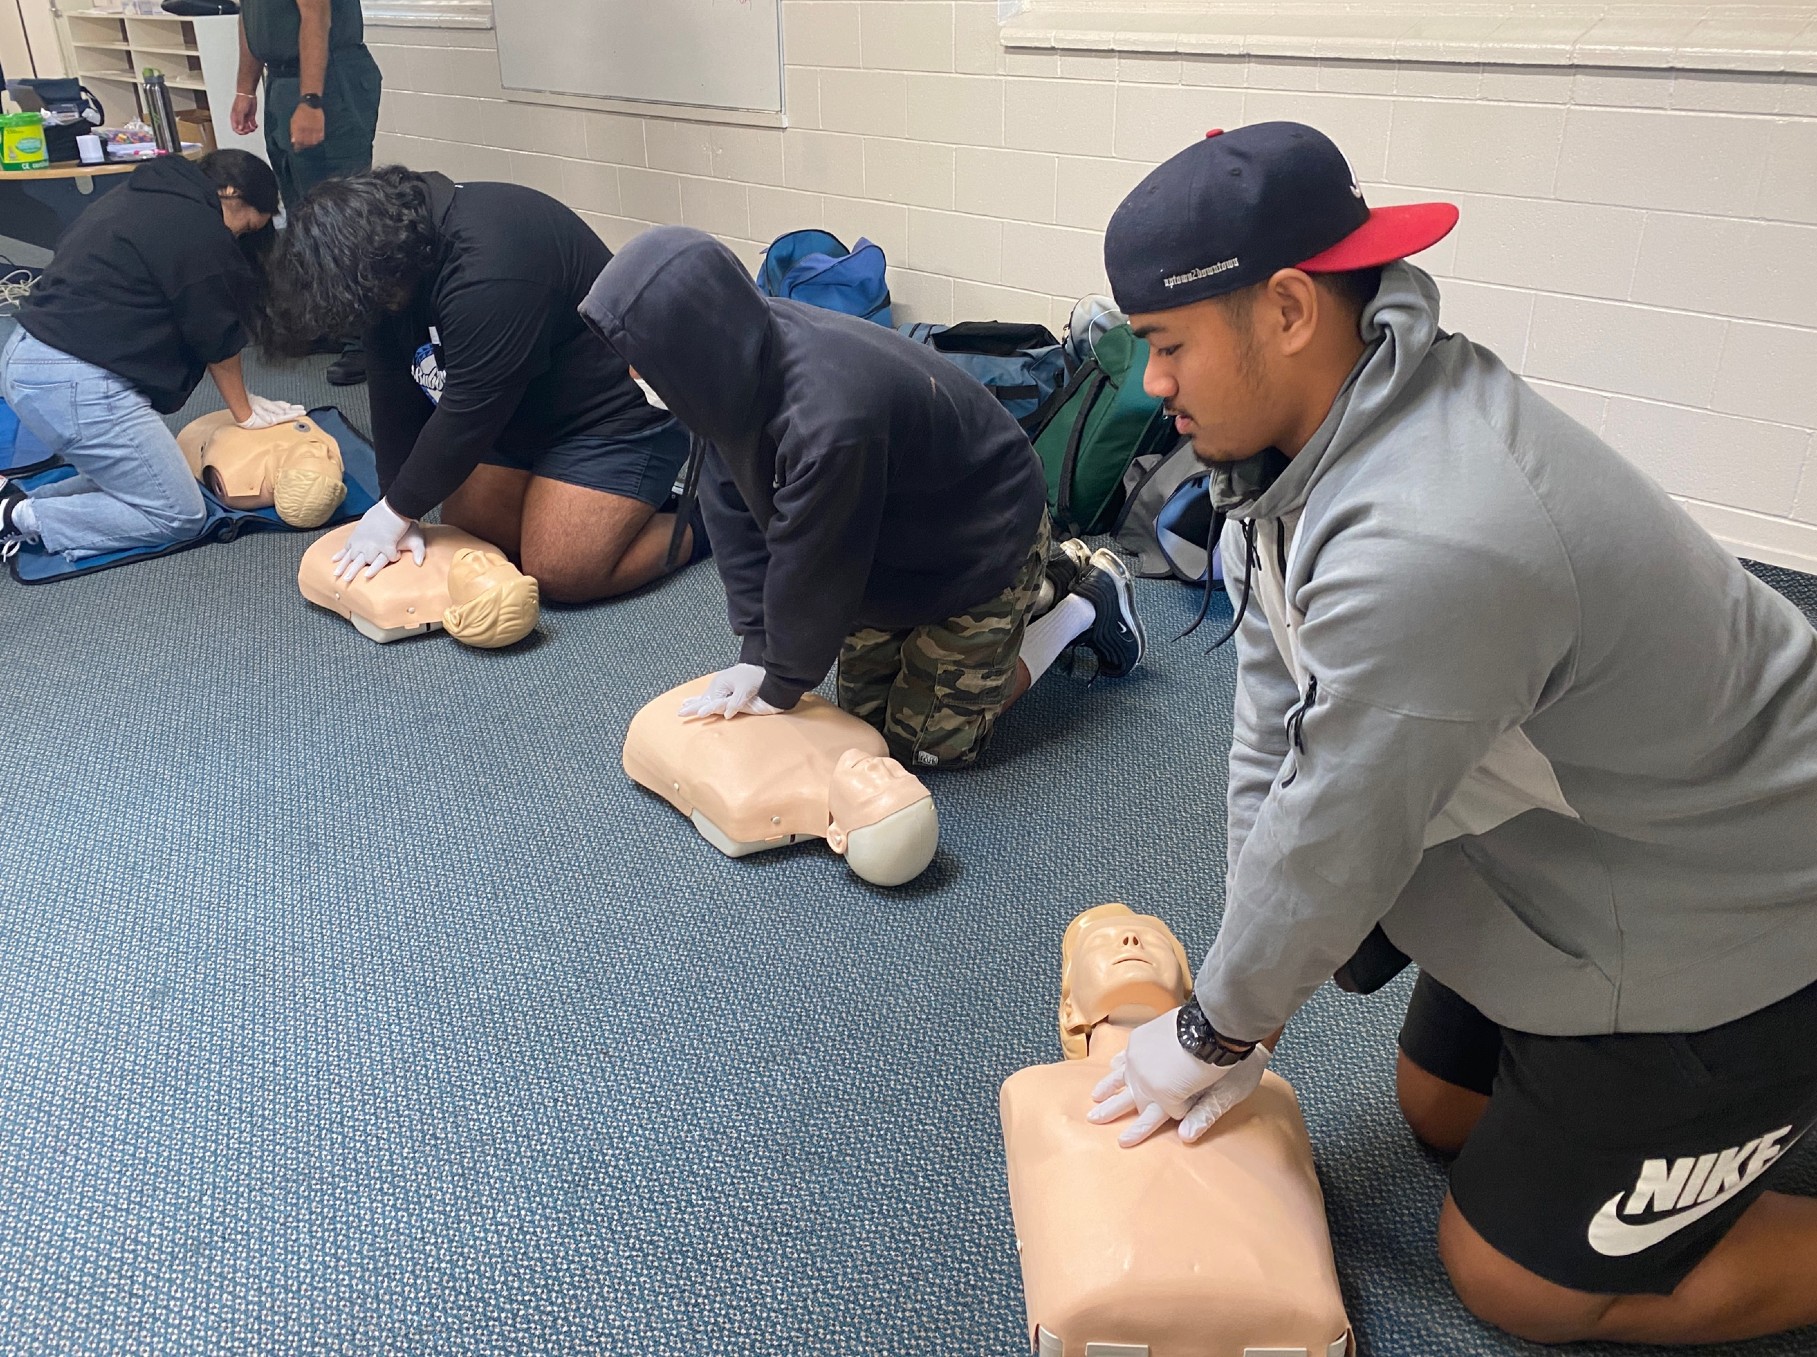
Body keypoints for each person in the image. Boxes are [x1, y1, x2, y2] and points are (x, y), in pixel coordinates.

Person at [1082, 122, 1817, 1347]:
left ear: (1284, 309)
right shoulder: (1307, 442)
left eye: (1166, 346)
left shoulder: (1432, 535)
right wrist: (1237, 999)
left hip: (1746, 916)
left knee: (1509, 1280)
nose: (1150, 383)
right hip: (1595, 843)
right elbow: (1273, 731)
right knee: (1437, 1108)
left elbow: (1336, 824)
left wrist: (1219, 1025)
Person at [581, 226, 1145, 771]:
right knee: (863, 725)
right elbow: (736, 522)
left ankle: (1082, 602)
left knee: (922, 747)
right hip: (892, 528)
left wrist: (779, 682)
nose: (634, 374)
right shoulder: (724, 365)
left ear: (688, 342)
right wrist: (756, 649)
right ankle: (1047, 580)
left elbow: (815, 568)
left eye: (642, 359)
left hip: (982, 532)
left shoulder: (828, 421)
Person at [263, 168, 701, 602]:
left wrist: (397, 512)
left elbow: (469, 413)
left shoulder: (489, 268)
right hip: (515, 410)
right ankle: (618, 505)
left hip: (610, 416)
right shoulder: (386, 261)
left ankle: (710, 520)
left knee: (560, 571)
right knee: (474, 540)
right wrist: (392, 501)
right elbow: (391, 389)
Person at [0, 151, 303, 562]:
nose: (240, 238)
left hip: (29, 355)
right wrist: (245, 412)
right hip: (73, 380)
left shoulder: (141, 193)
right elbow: (214, 335)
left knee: (136, 481)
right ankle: (22, 518)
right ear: (231, 193)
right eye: (247, 226)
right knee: (179, 513)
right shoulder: (198, 227)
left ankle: (12, 502)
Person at [230, 0, 381, 386]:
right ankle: (331, 322)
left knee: (339, 216)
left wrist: (311, 100)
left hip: (329, 80)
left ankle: (368, 338)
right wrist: (245, 89)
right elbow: (250, 19)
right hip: (281, 82)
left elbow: (317, 17)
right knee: (300, 211)